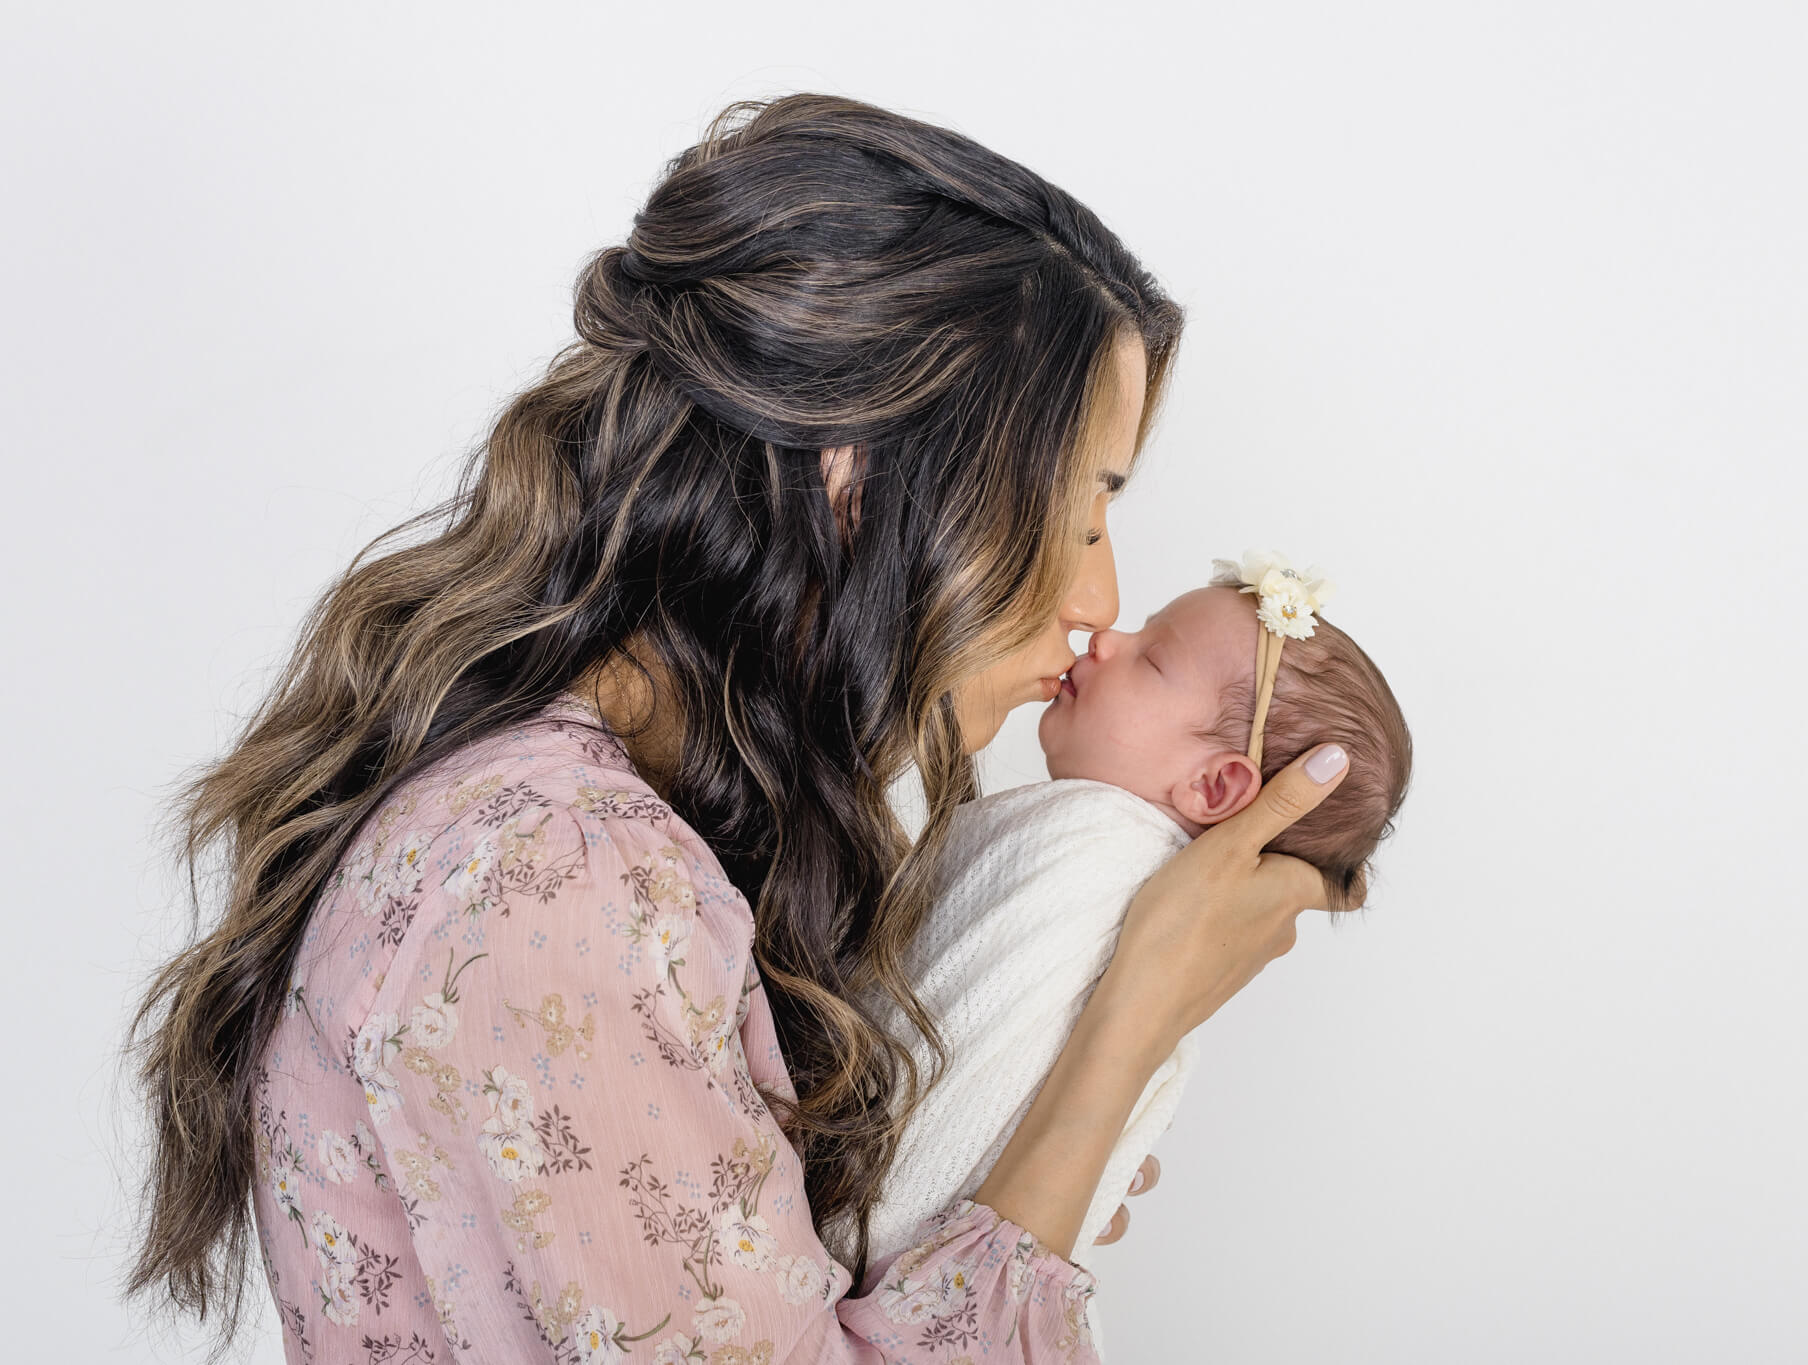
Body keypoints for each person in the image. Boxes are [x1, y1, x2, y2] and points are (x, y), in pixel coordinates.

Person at [123, 92, 1353, 1364]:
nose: (1098, 600)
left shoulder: (606, 832)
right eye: (1083, 511)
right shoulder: (561, 874)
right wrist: (1127, 1028)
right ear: (853, 477)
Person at [855, 557, 1413, 1354]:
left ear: (1216, 788)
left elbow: (927, 1107)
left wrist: (841, 1210)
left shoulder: (1095, 853)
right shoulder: (1101, 852)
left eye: (1152, 656)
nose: (1106, 636)